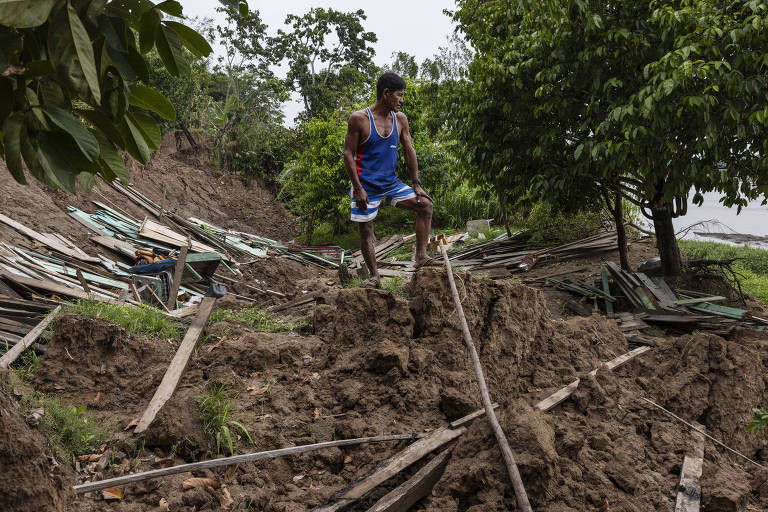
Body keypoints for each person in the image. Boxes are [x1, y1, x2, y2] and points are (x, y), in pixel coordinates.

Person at [343, 71, 434, 287]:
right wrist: (358, 188)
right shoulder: (360, 119)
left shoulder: (400, 119)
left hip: (391, 183)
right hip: (365, 186)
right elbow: (347, 154)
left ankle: (421, 257)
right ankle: (375, 277)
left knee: (425, 205)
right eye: (399, 95)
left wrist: (416, 184)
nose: (402, 100)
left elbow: (409, 150)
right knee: (366, 229)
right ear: (386, 93)